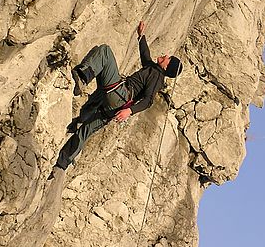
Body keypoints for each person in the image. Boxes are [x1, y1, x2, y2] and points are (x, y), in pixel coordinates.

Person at [49, 21, 182, 176]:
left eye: (168, 58)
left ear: (167, 67)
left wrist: (129, 112)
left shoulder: (157, 78)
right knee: (85, 129)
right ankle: (60, 165)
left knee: (104, 52)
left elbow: (148, 101)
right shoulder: (153, 70)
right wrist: (141, 36)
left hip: (120, 94)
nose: (165, 56)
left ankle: (83, 77)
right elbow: (145, 56)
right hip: (114, 106)